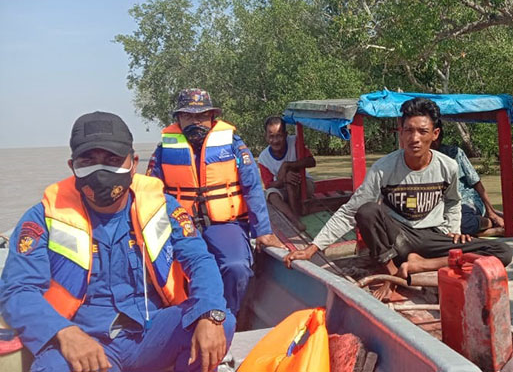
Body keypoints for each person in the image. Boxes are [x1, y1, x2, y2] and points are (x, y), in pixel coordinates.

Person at [0, 112, 234, 372]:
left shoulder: (164, 208)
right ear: (72, 166)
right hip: (84, 339)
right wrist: (64, 333)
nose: (101, 171)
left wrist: (209, 311)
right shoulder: (43, 218)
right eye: (88, 160)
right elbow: (17, 291)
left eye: (112, 159)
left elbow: (199, 259)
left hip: (150, 331)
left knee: (219, 321)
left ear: (133, 163)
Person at [283, 97, 512, 301]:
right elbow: (350, 211)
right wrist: (312, 248)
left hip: (434, 237)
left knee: (503, 253)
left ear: (435, 134)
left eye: (422, 131)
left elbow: (452, 201)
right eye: (408, 131)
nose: (415, 138)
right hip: (397, 239)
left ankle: (420, 264)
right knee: (367, 210)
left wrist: (452, 229)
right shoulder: (384, 168)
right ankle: (393, 275)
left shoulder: (448, 166)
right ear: (400, 133)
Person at [146, 88, 282, 317]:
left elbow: (253, 188)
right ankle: (185, 318)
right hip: (181, 227)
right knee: (166, 272)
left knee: (236, 267)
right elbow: (150, 193)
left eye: (200, 116)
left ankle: (228, 317)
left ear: (212, 118)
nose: (194, 122)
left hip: (225, 224)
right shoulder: (162, 152)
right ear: (178, 119)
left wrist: (263, 231)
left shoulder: (233, 145)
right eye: (187, 116)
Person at [432, 128, 505, 237]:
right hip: (441, 205)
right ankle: (482, 233)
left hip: (465, 200)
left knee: (461, 222)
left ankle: (489, 223)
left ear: (436, 137)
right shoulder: (417, 159)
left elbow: (476, 182)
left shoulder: (454, 153)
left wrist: (491, 213)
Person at [257, 116, 316, 231]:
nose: (275, 140)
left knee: (290, 176)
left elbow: (311, 161)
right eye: (271, 136)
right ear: (266, 137)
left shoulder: (295, 142)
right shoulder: (263, 158)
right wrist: (283, 180)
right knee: (270, 195)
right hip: (283, 189)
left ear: (285, 134)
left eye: (279, 135)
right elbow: (269, 185)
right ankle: (294, 218)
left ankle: (296, 217)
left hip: (304, 185)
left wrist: (288, 165)